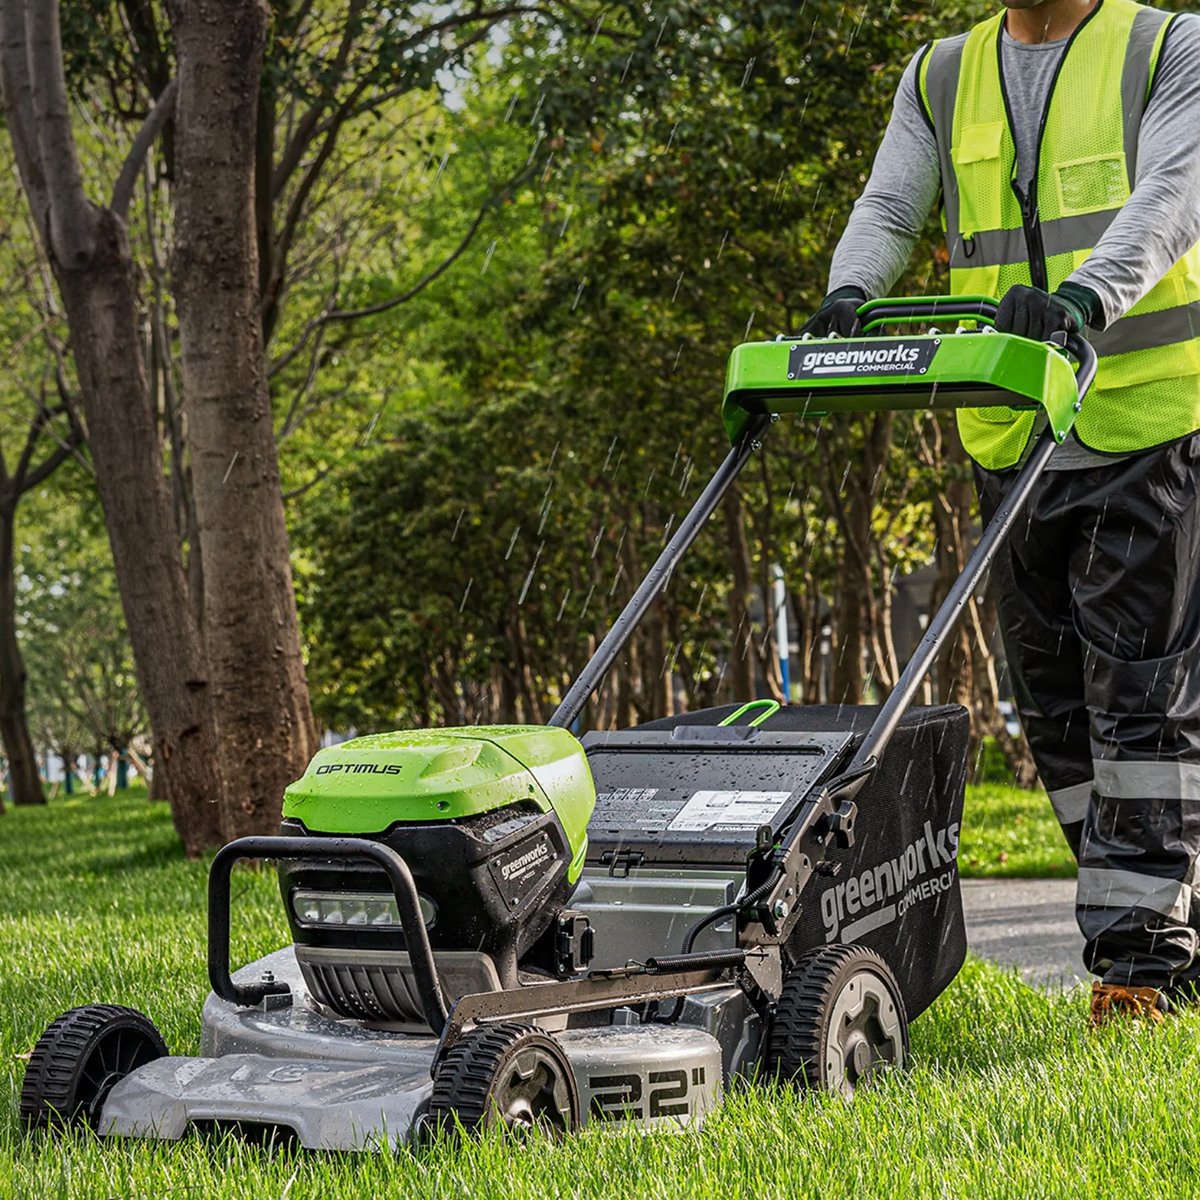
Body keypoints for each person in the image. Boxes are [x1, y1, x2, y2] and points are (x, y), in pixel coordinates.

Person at [806, 0, 1200, 1024]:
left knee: (1139, 699)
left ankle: (1138, 970)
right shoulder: (942, 73)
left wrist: (1083, 298)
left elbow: (1174, 191)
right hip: (1013, 436)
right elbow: (892, 207)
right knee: (1057, 705)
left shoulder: (1168, 46)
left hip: (1149, 421)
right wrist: (850, 293)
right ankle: (1165, 930)